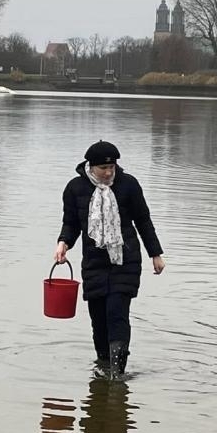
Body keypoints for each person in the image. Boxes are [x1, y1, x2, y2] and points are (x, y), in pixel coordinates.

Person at [54, 140, 165, 379]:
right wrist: (63, 243)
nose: (108, 172)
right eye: (103, 168)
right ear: (90, 167)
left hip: (125, 260)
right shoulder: (75, 188)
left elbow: (143, 220)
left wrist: (155, 254)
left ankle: (117, 372)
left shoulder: (129, 185)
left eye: (112, 167)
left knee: (117, 312)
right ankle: (103, 365)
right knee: (99, 318)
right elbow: (71, 223)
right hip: (93, 262)